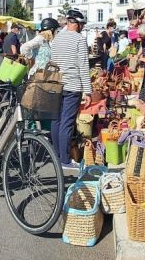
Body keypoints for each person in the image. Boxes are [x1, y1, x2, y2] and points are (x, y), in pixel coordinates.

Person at [49, 9, 91, 173]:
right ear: (78, 24)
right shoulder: (80, 39)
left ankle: (56, 156)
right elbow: (83, 66)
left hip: (56, 83)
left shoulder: (57, 38)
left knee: (56, 121)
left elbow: (53, 62)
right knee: (67, 122)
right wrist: (87, 91)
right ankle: (65, 160)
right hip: (72, 86)